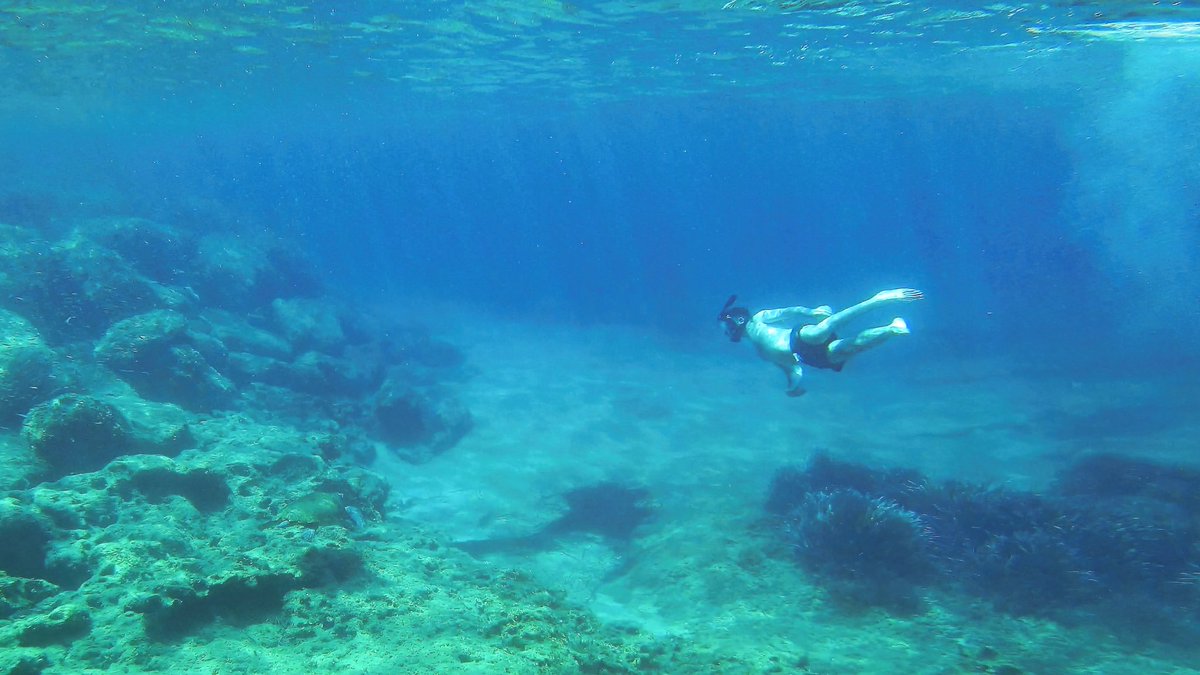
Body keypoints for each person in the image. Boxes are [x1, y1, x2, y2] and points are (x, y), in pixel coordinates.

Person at [718, 288, 924, 397]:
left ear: (737, 320)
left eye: (726, 330)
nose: (727, 335)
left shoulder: (759, 318)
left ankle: (879, 299)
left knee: (822, 330)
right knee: (853, 346)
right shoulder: (759, 352)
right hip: (808, 357)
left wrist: (811, 311)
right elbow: (791, 368)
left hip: (797, 338)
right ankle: (892, 329)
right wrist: (794, 386)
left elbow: (789, 311)